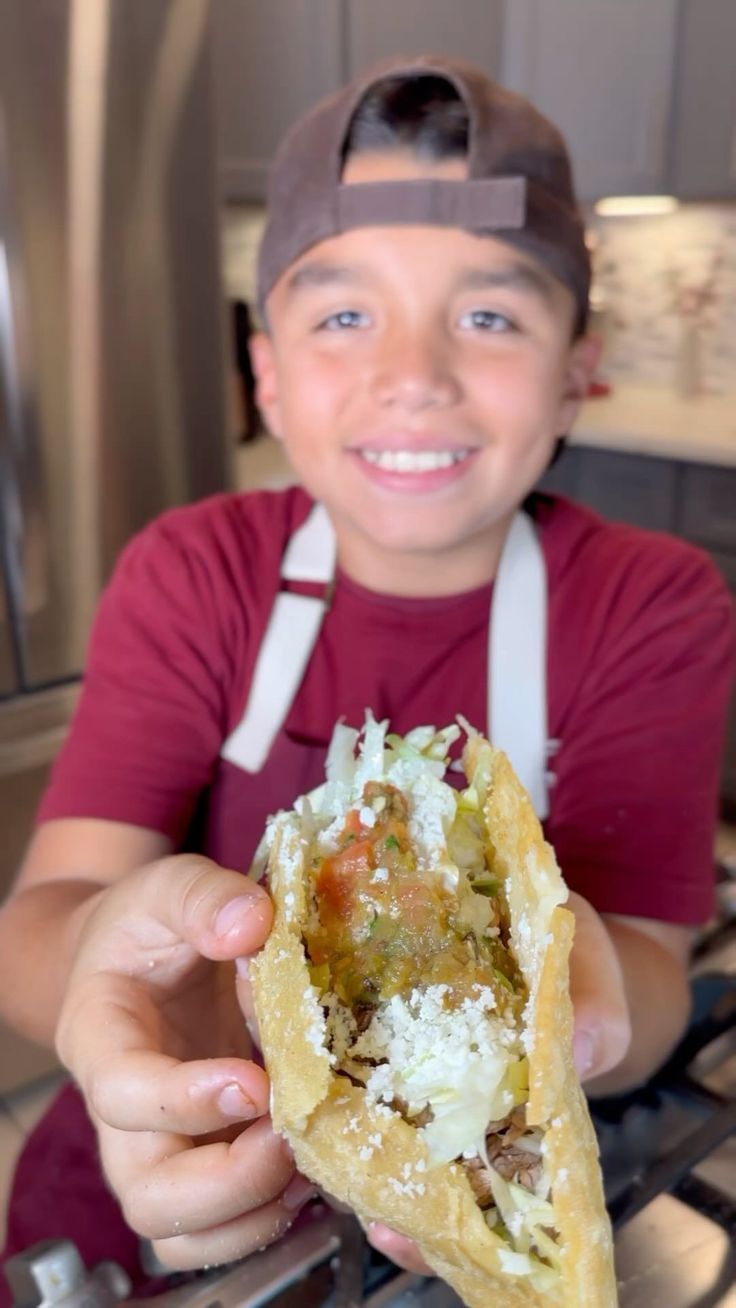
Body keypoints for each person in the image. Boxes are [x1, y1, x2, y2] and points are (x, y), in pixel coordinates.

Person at [0, 55, 734, 1297]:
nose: (415, 373)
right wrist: (128, 998)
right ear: (267, 372)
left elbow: (655, 974)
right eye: (344, 313)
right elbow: (43, 916)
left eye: (490, 315)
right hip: (165, 1180)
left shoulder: (647, 604)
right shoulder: (195, 574)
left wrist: (587, 1009)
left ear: (575, 372)